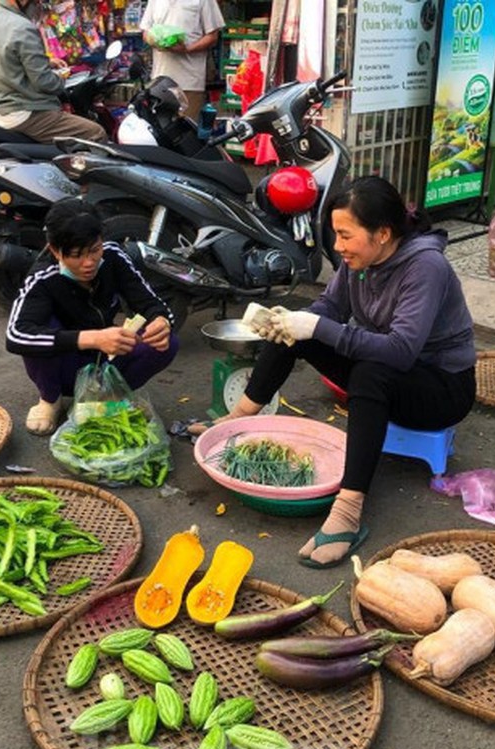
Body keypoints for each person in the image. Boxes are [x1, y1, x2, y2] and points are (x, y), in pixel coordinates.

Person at [197, 175, 477, 568]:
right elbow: (329, 310)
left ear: (382, 233)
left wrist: (317, 327)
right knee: (296, 329)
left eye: (346, 235)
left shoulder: (425, 267)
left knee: (369, 373)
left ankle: (348, 510)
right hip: (388, 370)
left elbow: (400, 351)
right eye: (335, 235)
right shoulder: (358, 260)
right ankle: (238, 418)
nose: (338, 246)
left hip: (440, 389)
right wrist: (294, 321)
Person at [6, 198, 179, 435]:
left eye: (95, 250)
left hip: (107, 362)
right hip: (64, 369)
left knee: (166, 343)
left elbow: (150, 302)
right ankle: (50, 399)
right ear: (55, 250)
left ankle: (108, 398)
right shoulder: (43, 279)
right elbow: (16, 335)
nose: (89, 263)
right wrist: (93, 339)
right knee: (41, 328)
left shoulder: (113, 257)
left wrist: (160, 320)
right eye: (77, 255)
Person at [0, 0, 107, 143]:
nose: (37, 5)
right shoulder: (22, 27)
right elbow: (45, 82)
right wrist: (61, 78)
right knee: (96, 133)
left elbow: (5, 58)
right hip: (24, 113)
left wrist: (46, 62)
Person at [139, 0, 225, 121]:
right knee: (161, 129)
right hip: (160, 81)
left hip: (190, 82)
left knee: (187, 130)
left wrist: (187, 49)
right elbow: (146, 31)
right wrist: (157, 42)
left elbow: (212, 36)